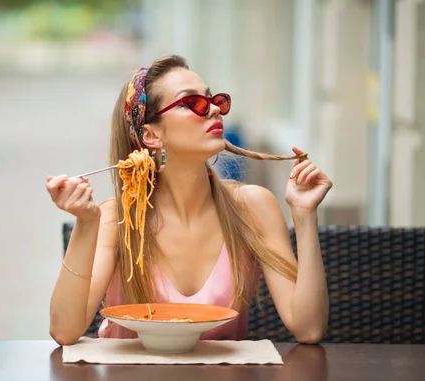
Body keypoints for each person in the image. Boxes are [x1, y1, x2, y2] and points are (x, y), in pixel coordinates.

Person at [46, 54, 332, 345]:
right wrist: (85, 222)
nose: (213, 110)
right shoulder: (118, 218)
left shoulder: (253, 207)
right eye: (188, 103)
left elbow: (308, 329)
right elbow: (64, 331)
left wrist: (305, 214)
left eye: (213, 99)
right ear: (151, 135)